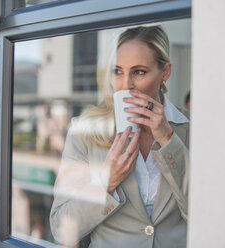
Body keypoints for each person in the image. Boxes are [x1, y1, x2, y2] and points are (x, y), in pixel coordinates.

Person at [50, 26, 189, 248]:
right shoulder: (84, 132)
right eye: (117, 71)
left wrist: (168, 140)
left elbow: (208, 215)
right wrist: (107, 181)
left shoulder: (193, 129)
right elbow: (60, 227)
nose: (126, 85)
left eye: (139, 72)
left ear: (165, 72)